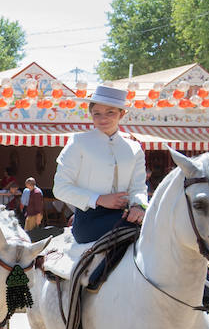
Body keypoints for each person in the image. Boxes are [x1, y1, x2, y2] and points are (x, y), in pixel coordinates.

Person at [54, 85, 147, 247]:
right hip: (89, 219)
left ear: (122, 114)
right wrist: (99, 199)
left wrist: (138, 206)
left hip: (127, 215)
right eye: (97, 113)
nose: (103, 118)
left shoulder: (134, 148)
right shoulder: (78, 142)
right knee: (149, 228)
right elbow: (60, 188)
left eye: (110, 112)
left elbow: (138, 187)